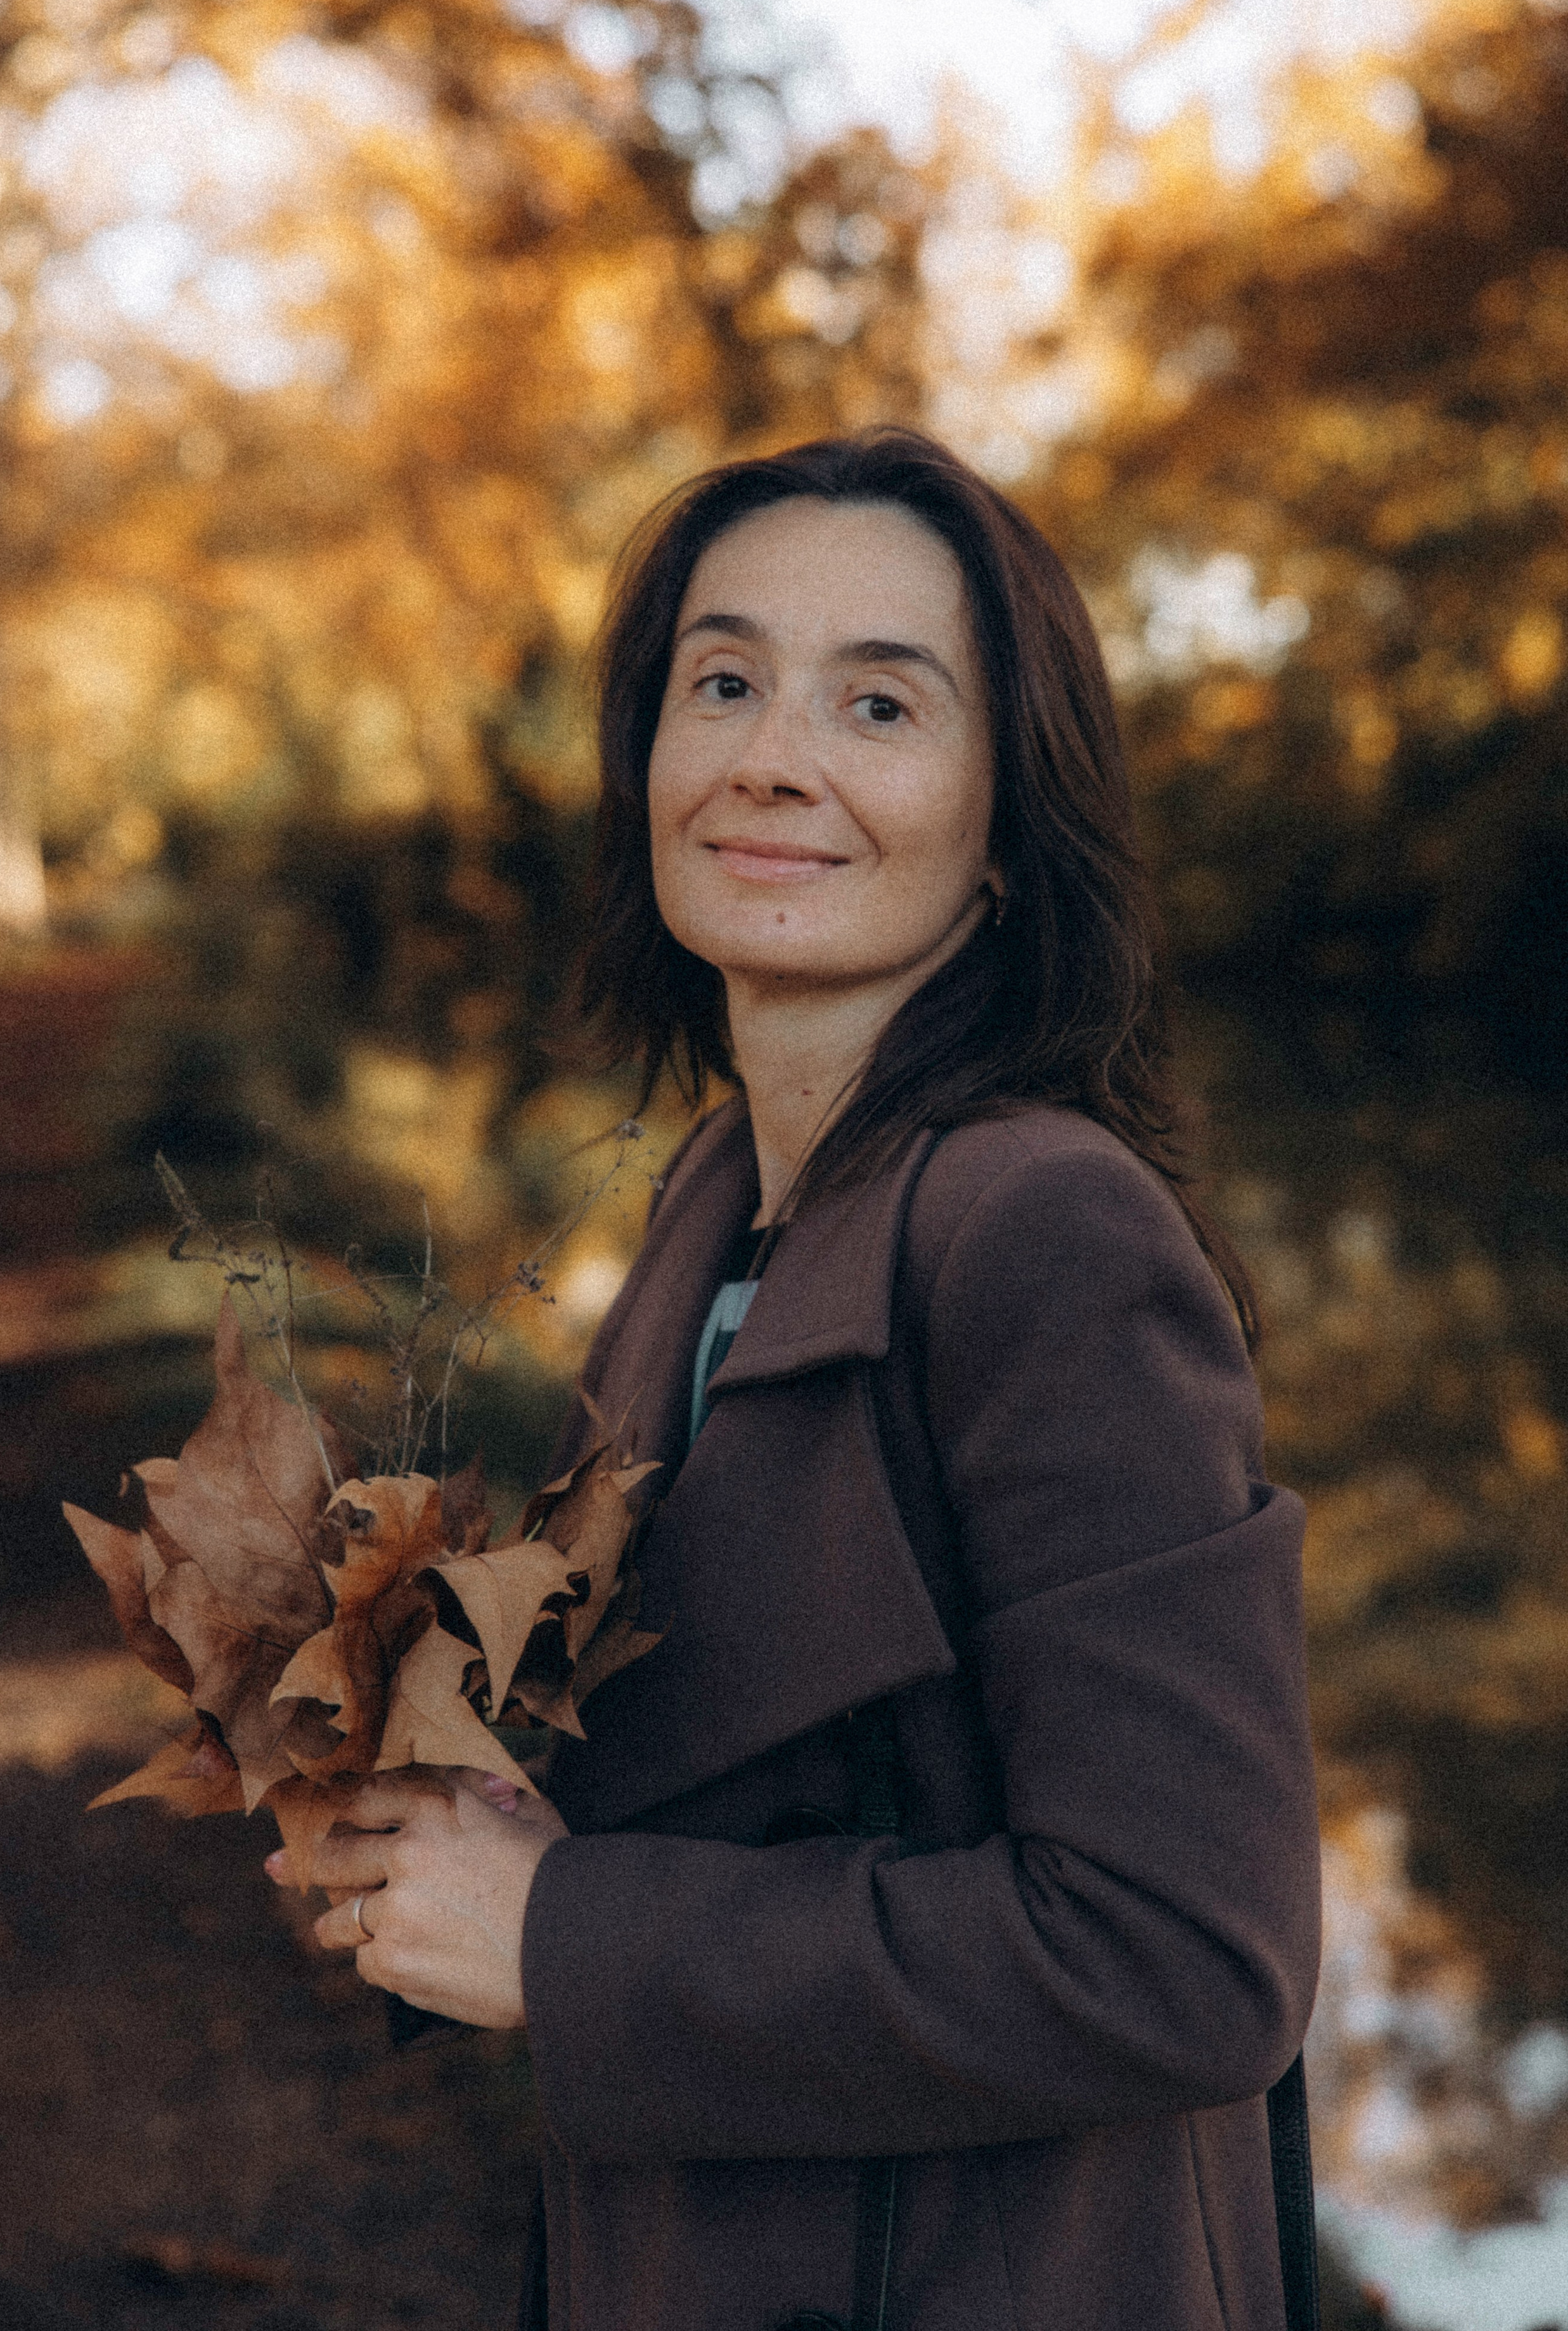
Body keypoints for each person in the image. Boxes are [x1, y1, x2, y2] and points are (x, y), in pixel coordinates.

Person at [276, 429, 1321, 2331]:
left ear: (1006, 823)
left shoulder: (1045, 1234)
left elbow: (1187, 1954)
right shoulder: (714, 1198)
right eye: (725, 683)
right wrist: (415, 1809)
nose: (772, 756)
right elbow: (725, 1761)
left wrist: (566, 1937)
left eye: (880, 703)